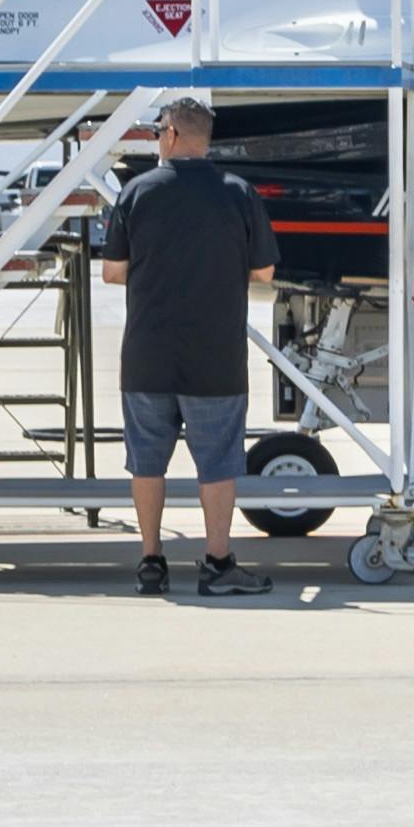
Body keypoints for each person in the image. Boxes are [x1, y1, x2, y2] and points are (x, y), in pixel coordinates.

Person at [95, 95, 279, 598]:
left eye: (158, 131)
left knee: (146, 461)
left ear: (172, 135)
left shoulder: (136, 192)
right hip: (215, 355)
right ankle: (217, 564)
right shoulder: (239, 193)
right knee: (218, 462)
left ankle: (151, 561)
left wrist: (159, 266)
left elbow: (111, 271)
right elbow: (264, 272)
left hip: (147, 354)